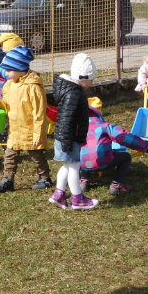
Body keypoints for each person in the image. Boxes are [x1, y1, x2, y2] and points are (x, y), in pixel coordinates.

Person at [0, 45, 53, 193]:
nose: (5, 73)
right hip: (15, 129)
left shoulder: (33, 86)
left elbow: (39, 112)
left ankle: (45, 178)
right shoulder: (9, 85)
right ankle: (7, 180)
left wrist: (38, 134)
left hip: (30, 130)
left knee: (36, 156)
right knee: (9, 155)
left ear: (19, 68)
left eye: (8, 70)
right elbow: (8, 106)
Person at [48, 52, 100, 211]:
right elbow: (67, 119)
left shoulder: (72, 91)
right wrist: (67, 142)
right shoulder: (74, 94)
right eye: (91, 79)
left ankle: (58, 194)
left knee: (67, 165)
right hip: (69, 138)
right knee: (74, 167)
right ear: (83, 77)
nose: (92, 83)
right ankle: (78, 199)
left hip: (67, 137)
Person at [79, 96, 148, 195]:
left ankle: (83, 180)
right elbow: (125, 137)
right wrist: (144, 146)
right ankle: (116, 185)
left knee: (85, 154)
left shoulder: (78, 128)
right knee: (126, 157)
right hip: (103, 162)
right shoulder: (105, 126)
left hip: (83, 164)